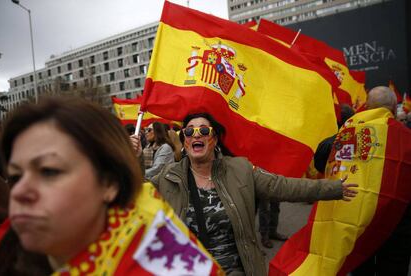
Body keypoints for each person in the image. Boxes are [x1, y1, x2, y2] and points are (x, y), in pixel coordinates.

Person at [0, 97, 221, 275]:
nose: (19, 192)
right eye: (15, 177)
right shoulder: (5, 252)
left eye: (48, 171)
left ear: (109, 183)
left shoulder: (171, 269)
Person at [132, 112, 358, 275]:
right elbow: (136, 194)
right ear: (184, 141)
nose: (196, 135)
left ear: (214, 139)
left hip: (236, 269)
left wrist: (334, 187)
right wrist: (133, 158)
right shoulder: (169, 176)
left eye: (204, 130)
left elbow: (281, 186)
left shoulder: (239, 169)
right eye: (189, 131)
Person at [351, 86, 411, 276]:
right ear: (394, 108)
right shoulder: (408, 137)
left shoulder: (349, 135)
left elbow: (321, 159)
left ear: (367, 107)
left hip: (360, 224)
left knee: (361, 270)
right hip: (399, 227)